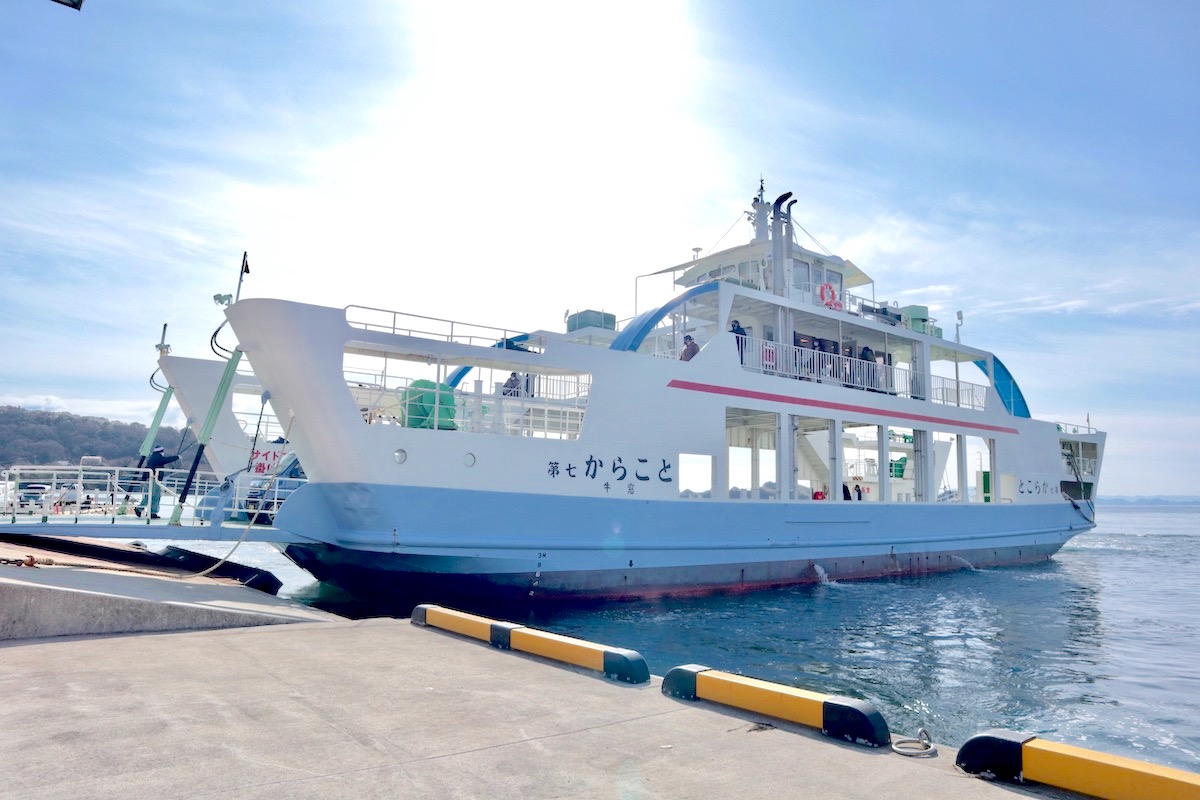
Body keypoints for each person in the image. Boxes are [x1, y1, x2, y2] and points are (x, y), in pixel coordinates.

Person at [136, 445, 180, 519]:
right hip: (154, 479)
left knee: (154, 496)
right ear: (160, 451)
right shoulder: (157, 457)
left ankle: (150, 511)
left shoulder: (153, 458)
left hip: (154, 479)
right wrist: (176, 457)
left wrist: (143, 479)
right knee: (153, 496)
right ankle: (143, 509)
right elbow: (165, 460)